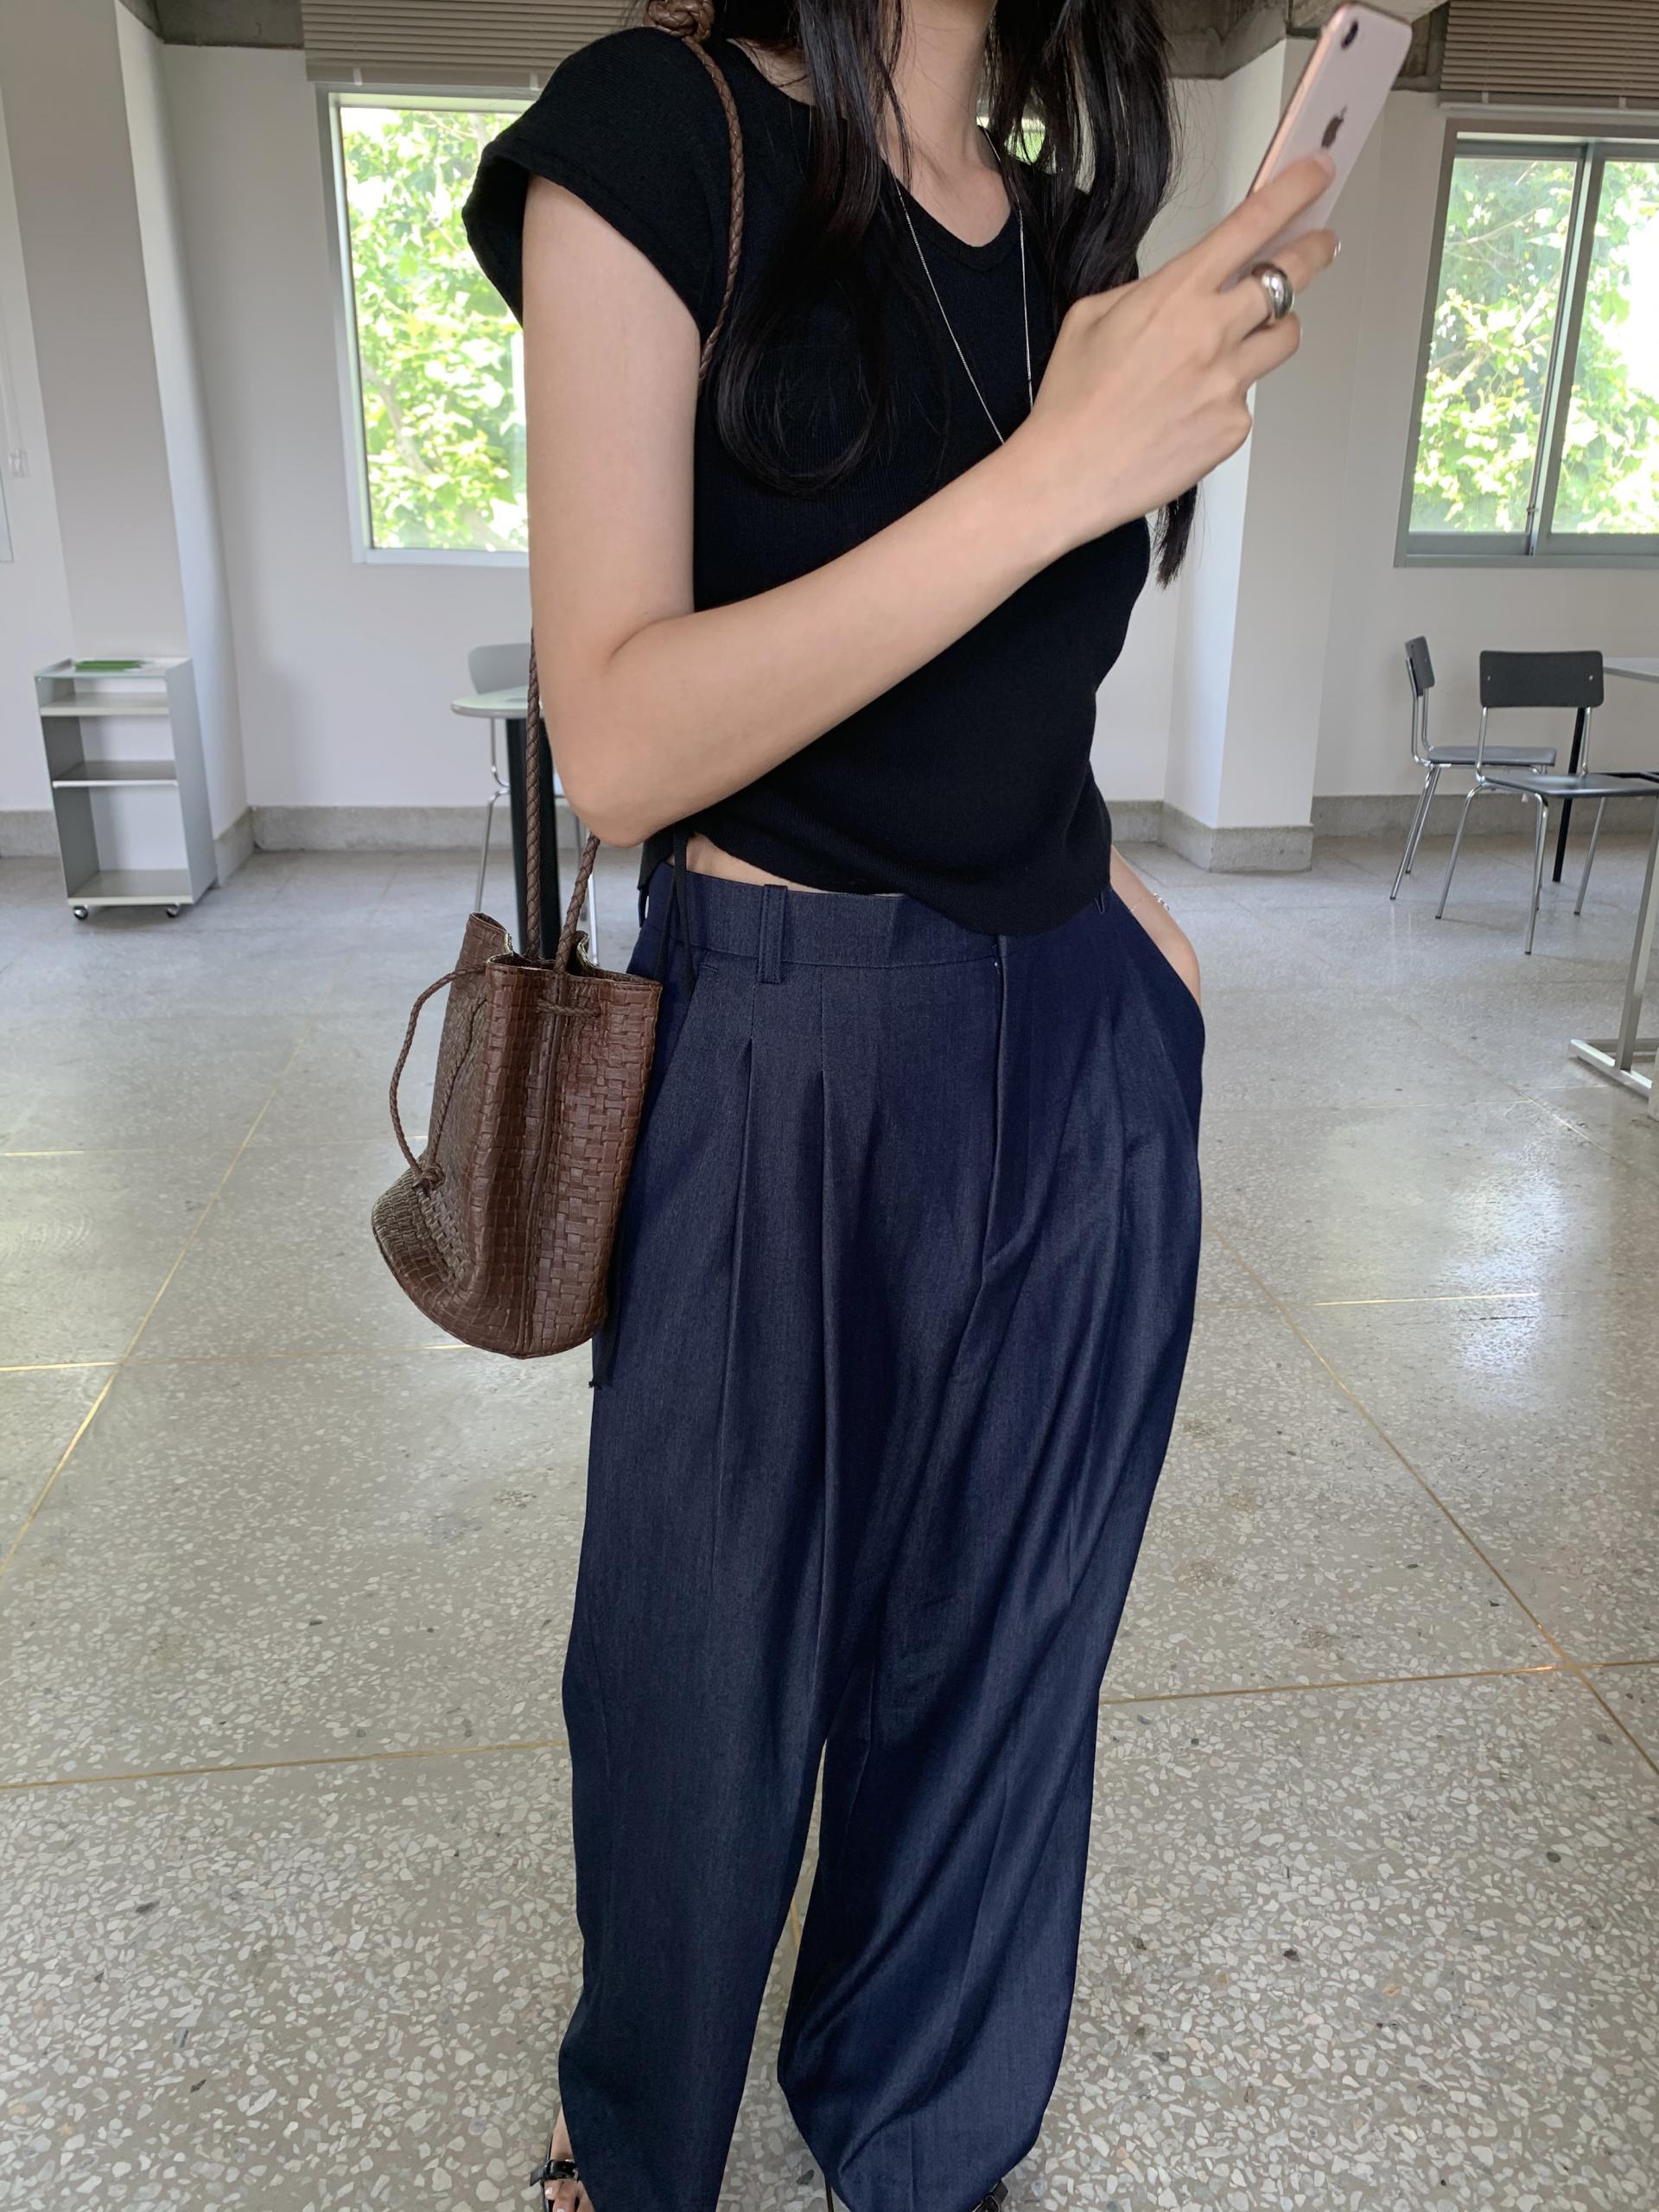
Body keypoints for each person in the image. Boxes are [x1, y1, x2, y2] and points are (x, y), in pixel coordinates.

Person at [463, 0, 1335, 2201]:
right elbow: (621, 741)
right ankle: (639, 2128)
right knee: (695, 1663)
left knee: (1004, 1646)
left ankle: (921, 2125)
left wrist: (1111, 901)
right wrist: (1061, 464)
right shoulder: (658, 134)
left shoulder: (1060, 241)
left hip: (1079, 1045)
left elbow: (1005, 691)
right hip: (785, 1039)